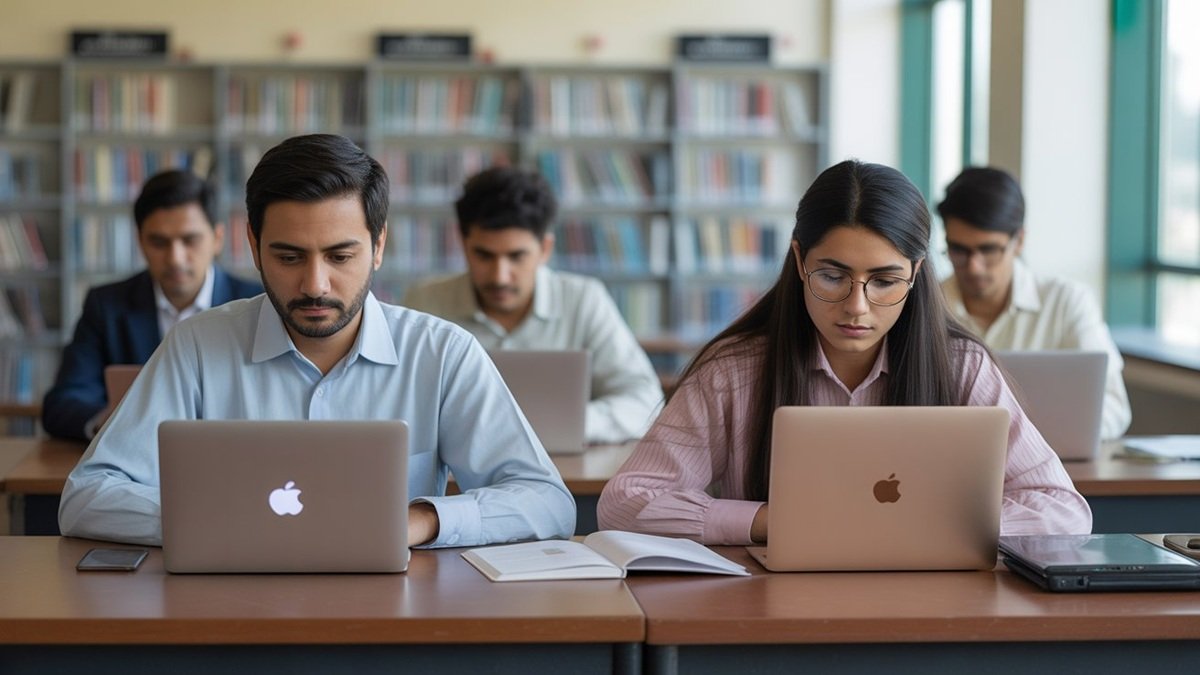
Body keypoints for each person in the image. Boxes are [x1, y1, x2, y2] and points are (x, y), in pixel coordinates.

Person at [58, 134, 575, 547]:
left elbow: (548, 502)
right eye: (287, 257)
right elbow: (87, 498)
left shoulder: (442, 353)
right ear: (254, 249)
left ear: (378, 246)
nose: (314, 285)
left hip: (396, 619)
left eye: (340, 256)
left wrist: (421, 521)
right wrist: (224, 522)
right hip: (227, 615)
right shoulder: (195, 345)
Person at [597, 160, 1092, 545]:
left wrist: (924, 527)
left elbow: (1063, 510)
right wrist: (775, 522)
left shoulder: (960, 366)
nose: (856, 307)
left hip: (927, 610)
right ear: (798, 260)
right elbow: (623, 503)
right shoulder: (733, 371)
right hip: (768, 609)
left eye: (884, 281)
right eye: (832, 276)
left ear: (916, 274)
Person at [402, 166, 663, 444]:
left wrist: (570, 425)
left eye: (517, 256)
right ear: (464, 245)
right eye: (484, 255)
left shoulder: (584, 300)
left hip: (562, 474)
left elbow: (644, 401)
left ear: (545, 250)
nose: (500, 276)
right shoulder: (424, 303)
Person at [42, 169, 262, 441]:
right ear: (140, 242)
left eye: (189, 240)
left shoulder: (258, 302)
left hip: (236, 456)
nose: (175, 258)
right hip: (136, 460)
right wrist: (112, 422)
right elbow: (63, 403)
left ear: (217, 238)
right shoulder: (106, 305)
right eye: (159, 242)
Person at [937, 167, 1131, 439]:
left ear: (1020, 241)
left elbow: (1113, 407)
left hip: (1051, 466)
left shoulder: (1066, 302)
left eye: (989, 250)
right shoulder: (928, 305)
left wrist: (1029, 445)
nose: (974, 266)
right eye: (959, 250)